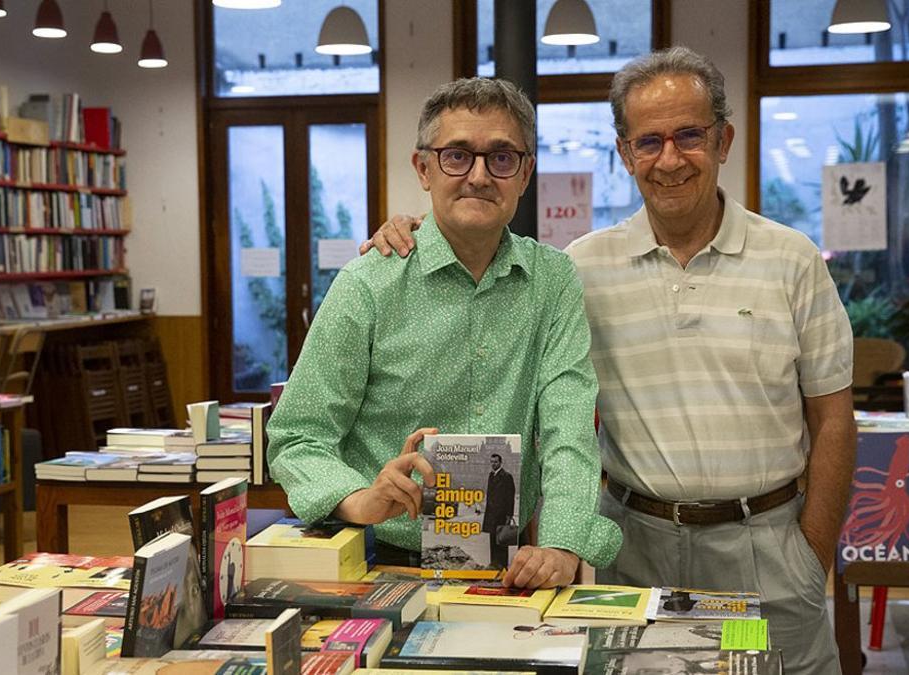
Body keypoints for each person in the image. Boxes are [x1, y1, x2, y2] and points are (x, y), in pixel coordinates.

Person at [363, 47, 856, 674]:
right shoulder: (580, 269)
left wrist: (813, 553)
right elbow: (561, 420)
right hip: (634, 547)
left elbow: (834, 420)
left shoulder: (793, 260)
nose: (669, 159)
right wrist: (411, 230)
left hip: (769, 545)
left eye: (689, 136)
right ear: (625, 153)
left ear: (724, 139)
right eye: (648, 141)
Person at [266, 77, 622, 590]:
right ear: (424, 168)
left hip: (510, 566)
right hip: (380, 562)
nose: (479, 176)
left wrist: (562, 544)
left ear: (525, 174)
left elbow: (569, 429)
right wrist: (360, 499)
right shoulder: (369, 283)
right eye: (457, 156)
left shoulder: (552, 281)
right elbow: (299, 435)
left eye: (501, 158)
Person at [483, 452, 516, 568]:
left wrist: (509, 515)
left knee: (502, 540)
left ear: (500, 462)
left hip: (502, 515)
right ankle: (494, 563)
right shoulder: (491, 476)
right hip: (492, 514)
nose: (493, 464)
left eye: (495, 462)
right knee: (492, 540)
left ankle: (502, 564)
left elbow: (510, 497)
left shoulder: (507, 476)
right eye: (492, 462)